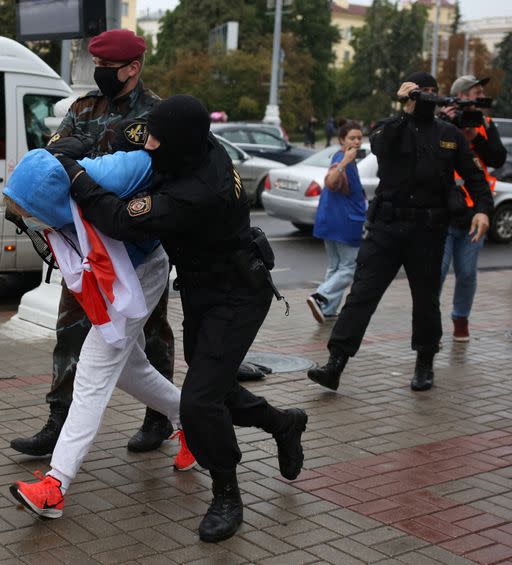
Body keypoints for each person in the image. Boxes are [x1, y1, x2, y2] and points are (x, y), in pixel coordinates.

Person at [59, 94, 308, 543]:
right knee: (215, 389)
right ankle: (282, 424)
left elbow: (117, 218)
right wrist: (86, 150)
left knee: (198, 402)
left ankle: (227, 494)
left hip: (237, 295)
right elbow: (138, 139)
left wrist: (74, 174)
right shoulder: (193, 143)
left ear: (179, 143)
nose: (149, 143)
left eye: (158, 138)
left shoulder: (197, 192)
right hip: (204, 291)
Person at [9, 28, 177, 457]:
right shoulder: (84, 108)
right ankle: (56, 421)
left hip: (136, 241)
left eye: (106, 68)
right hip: (85, 241)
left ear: (132, 68)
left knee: (152, 333)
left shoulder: (158, 115)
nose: (99, 73)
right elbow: (51, 158)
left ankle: (160, 420)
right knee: (70, 326)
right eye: (96, 66)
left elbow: (166, 176)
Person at [6, 144, 196, 520]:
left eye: (29, 210)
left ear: (47, 198)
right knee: (127, 370)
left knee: (92, 374)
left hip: (143, 273)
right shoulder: (58, 196)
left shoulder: (110, 172)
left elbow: (159, 164)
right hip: (121, 277)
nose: (28, 219)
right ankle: (192, 420)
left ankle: (55, 486)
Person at [307, 72, 493, 393]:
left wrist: (482, 210)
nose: (428, 98)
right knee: (362, 294)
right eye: (421, 93)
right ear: (408, 95)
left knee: (426, 300)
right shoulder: (389, 127)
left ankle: (424, 362)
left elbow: (475, 177)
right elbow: (379, 146)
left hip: (428, 230)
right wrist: (403, 110)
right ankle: (335, 363)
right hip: (387, 228)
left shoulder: (449, 134)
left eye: (433, 92)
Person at [438, 75, 507, 342]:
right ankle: (430, 322)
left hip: (474, 213)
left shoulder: (485, 124)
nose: (480, 96)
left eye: (481, 92)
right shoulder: (442, 122)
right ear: (460, 96)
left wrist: (475, 136)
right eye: (475, 91)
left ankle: (460, 318)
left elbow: (498, 158)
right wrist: (447, 122)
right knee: (437, 272)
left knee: (466, 273)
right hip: (444, 211)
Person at [307, 121, 367, 323]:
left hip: (330, 220)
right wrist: (345, 163)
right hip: (344, 223)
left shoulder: (341, 156)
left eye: (359, 137)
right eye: (352, 138)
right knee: (349, 268)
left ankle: (328, 310)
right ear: (342, 140)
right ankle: (321, 295)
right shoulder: (343, 159)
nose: (357, 141)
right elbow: (331, 182)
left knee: (335, 267)